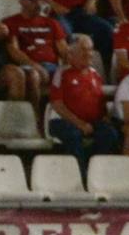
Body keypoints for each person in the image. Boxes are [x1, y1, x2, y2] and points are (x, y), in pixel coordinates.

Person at [48, 34, 120, 169]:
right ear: (71, 53)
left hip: (91, 122)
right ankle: (80, 175)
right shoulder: (62, 73)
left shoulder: (95, 74)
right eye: (83, 49)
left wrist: (104, 117)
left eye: (90, 49)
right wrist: (80, 123)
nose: (89, 53)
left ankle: (94, 170)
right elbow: (57, 105)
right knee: (74, 136)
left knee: (110, 134)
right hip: (63, 121)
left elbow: (99, 101)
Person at [4, 0, 67, 116]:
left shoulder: (52, 23)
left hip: (52, 67)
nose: (38, 3)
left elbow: (64, 50)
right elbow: (13, 51)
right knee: (33, 75)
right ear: (21, 1)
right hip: (27, 66)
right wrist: (34, 65)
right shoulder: (10, 23)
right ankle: (34, 120)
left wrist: (69, 67)